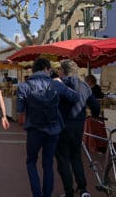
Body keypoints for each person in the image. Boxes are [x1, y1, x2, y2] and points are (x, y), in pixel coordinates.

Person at [16, 57, 79, 197]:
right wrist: (62, 85)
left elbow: (20, 113)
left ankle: (36, 194)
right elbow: (75, 97)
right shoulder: (56, 84)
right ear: (46, 69)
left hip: (34, 130)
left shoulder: (23, 86)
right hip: (53, 129)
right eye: (50, 70)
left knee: (31, 161)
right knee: (48, 164)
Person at [55, 60, 100, 197]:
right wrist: (94, 116)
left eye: (59, 70)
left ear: (63, 71)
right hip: (78, 127)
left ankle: (69, 192)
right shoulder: (85, 86)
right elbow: (95, 106)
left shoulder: (58, 85)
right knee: (76, 157)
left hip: (61, 127)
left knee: (63, 160)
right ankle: (83, 189)